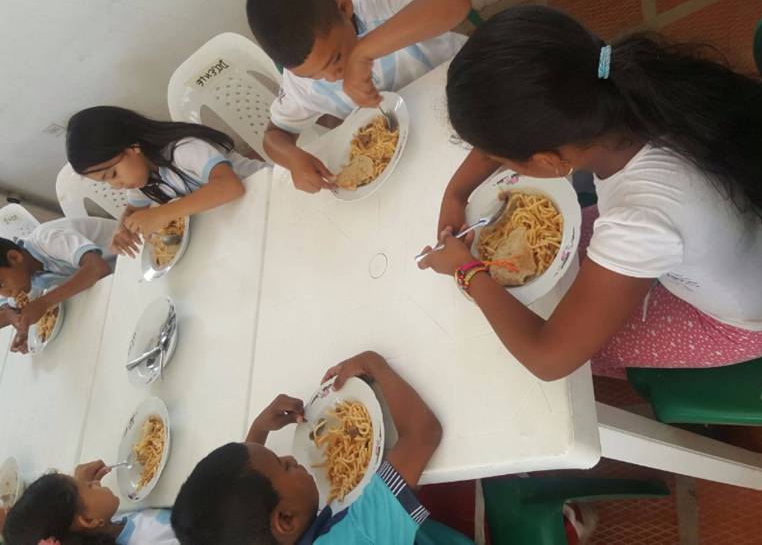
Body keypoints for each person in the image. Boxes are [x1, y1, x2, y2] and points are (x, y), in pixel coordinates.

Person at [419, 5, 762, 380]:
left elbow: (548, 359)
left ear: (548, 163)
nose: (490, 160)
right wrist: (455, 195)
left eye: (498, 157)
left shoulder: (637, 219)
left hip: (744, 318)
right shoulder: (624, 82)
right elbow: (517, 122)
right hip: (740, 228)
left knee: (588, 356)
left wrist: (466, 270)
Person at [171, 351, 474, 544]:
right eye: (284, 464)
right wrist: (373, 363)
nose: (290, 456)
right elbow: (422, 434)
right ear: (285, 519)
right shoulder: (358, 537)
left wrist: (259, 431)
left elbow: (236, 500)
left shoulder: (256, 533)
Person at [246, 0, 471, 193]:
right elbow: (274, 136)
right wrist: (293, 158)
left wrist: (364, 52)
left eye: (336, 58)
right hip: (419, 156)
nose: (332, 76)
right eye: (313, 75)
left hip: (468, 92)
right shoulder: (300, 84)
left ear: (345, 8)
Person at [66, 106, 261, 256]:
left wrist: (162, 214)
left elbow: (230, 186)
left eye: (113, 174)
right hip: (242, 220)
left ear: (132, 146)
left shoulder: (184, 150)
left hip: (269, 192)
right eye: (105, 182)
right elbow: (134, 210)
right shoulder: (142, 179)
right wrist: (122, 230)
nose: (116, 186)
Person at [0, 217, 116, 352]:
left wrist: (44, 303)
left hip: (132, 260)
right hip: (107, 291)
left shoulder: (47, 239)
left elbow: (98, 268)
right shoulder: (26, 274)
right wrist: (17, 321)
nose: (5, 293)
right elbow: (9, 306)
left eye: (1, 283)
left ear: (14, 257)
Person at [1, 460, 177, 545]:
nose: (94, 483)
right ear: (89, 520)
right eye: (88, 487)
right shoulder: (154, 537)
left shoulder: (103, 527)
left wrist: (79, 486)